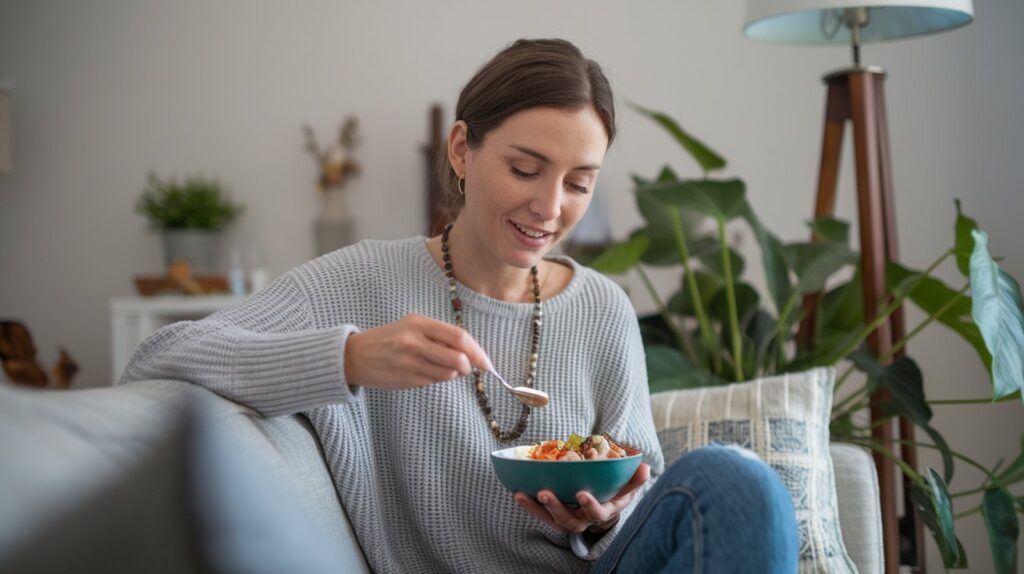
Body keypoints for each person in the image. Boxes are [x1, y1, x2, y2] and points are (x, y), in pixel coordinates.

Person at [121, 38, 798, 573]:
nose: (550, 206)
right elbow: (157, 358)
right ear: (462, 150)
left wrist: (599, 520)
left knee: (741, 484)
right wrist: (351, 357)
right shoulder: (361, 281)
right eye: (526, 169)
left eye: (579, 183)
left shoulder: (603, 309)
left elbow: (637, 490)